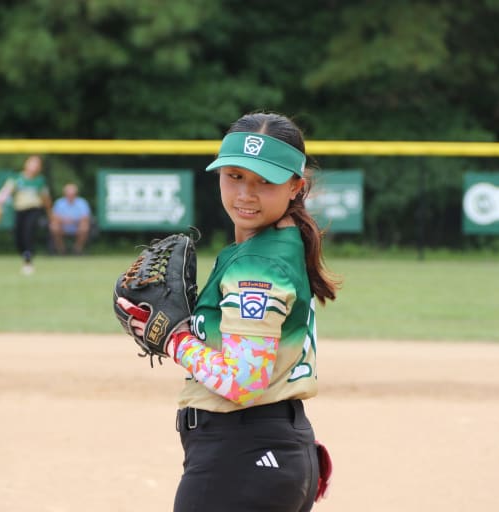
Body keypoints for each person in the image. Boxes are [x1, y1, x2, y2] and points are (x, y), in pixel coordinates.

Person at [116, 112, 340, 511]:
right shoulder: (276, 244)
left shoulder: (257, 265)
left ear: (295, 186)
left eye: (265, 181)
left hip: (242, 457)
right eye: (235, 176)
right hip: (264, 452)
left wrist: (174, 339)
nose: (246, 194)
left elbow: (244, 381)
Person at [0, 155, 52, 275]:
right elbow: (5, 191)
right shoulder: (16, 178)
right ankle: (25, 255)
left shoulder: (40, 180)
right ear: (26, 164)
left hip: (34, 209)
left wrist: (50, 213)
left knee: (28, 233)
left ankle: (28, 260)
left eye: (37, 164)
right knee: (18, 237)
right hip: (19, 210)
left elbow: (45, 198)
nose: (34, 166)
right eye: (32, 163)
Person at [49, 182, 91, 255]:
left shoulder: (82, 202)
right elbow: (54, 217)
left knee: (84, 226)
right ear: (65, 194)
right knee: (54, 226)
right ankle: (61, 249)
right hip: (62, 226)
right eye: (68, 194)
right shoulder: (59, 203)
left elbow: (86, 217)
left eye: (72, 194)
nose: (70, 196)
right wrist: (64, 220)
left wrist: (73, 221)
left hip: (77, 226)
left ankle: (77, 249)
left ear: (76, 194)